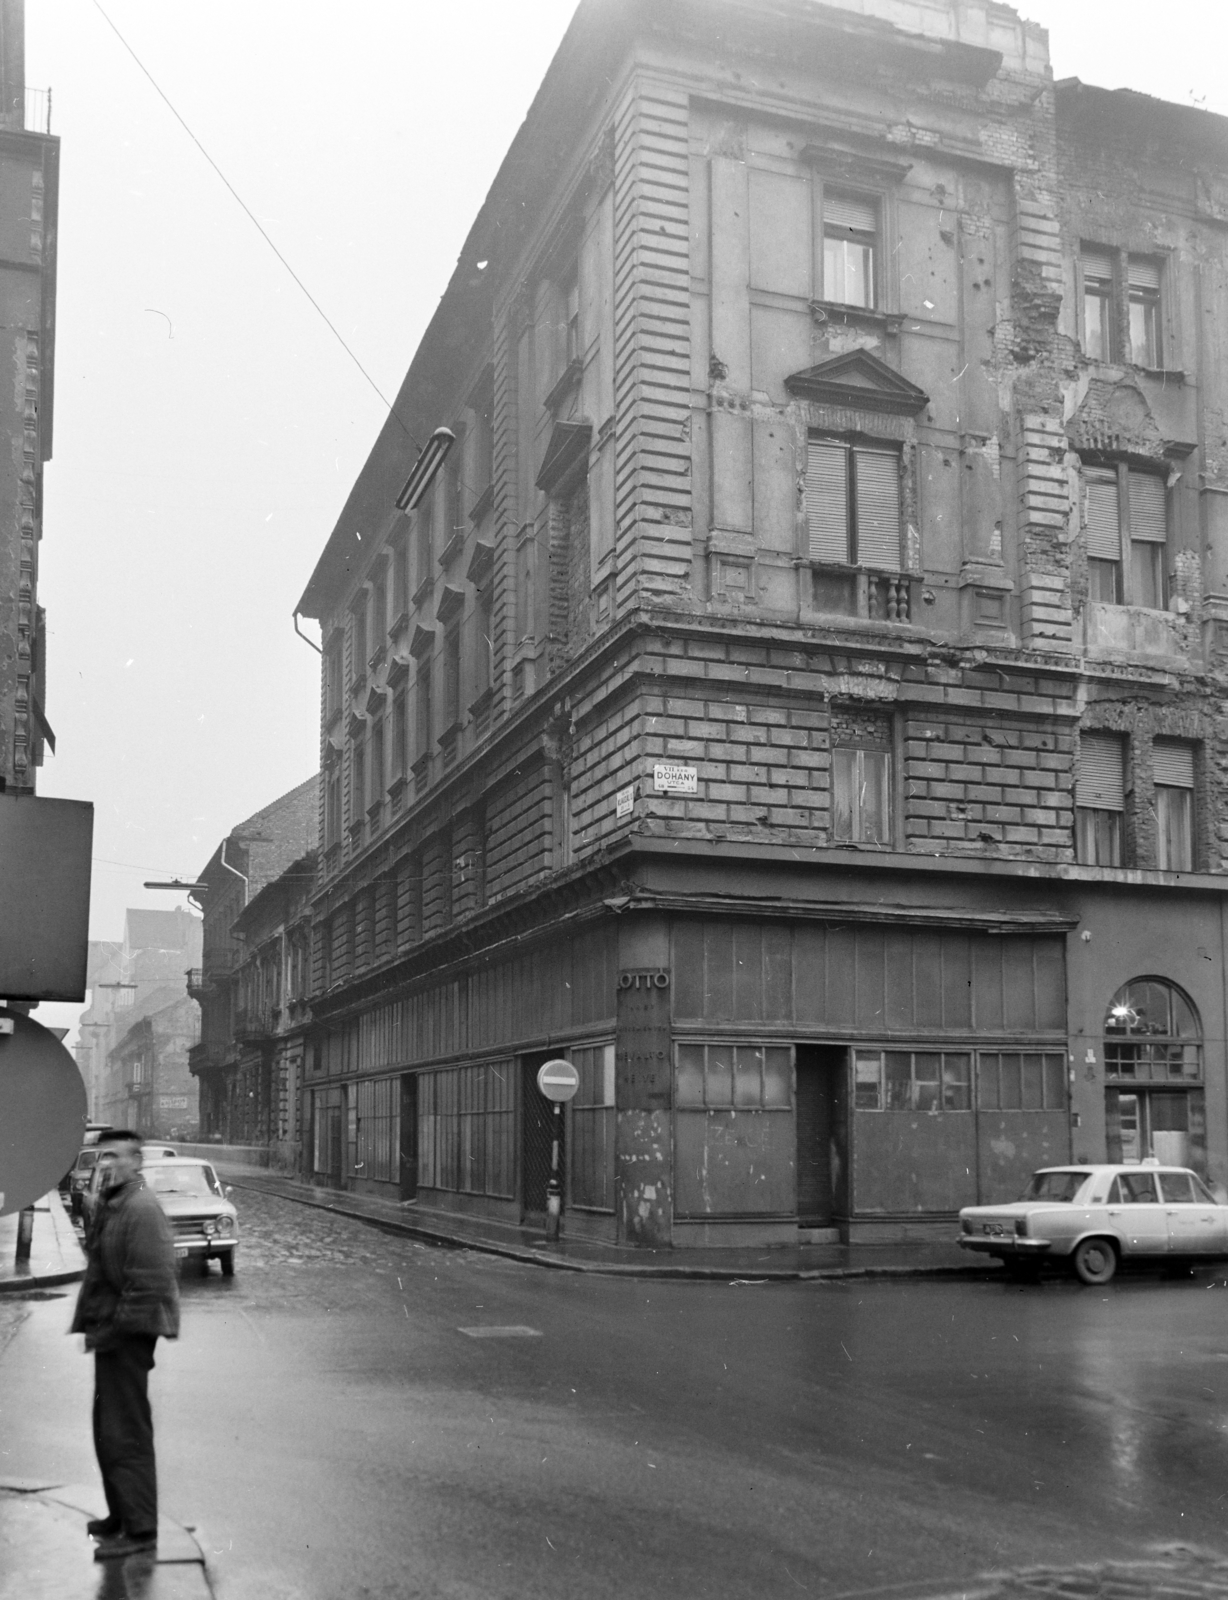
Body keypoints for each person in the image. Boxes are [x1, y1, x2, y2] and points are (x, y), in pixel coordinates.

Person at [69, 1128, 180, 1561]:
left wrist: (116, 1329)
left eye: (115, 1156)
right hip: (112, 1332)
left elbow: (150, 1283)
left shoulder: (142, 1208)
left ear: (136, 1162)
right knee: (108, 1430)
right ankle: (120, 1516)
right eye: (103, 1157)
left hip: (127, 1335)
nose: (107, 1163)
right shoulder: (117, 1204)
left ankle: (140, 1531)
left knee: (126, 1433)